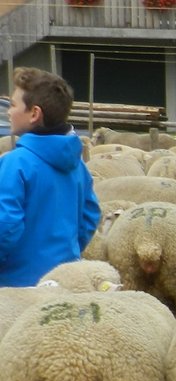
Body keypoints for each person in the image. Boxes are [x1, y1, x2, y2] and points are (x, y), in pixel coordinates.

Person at [0, 68, 101, 287]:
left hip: (18, 285)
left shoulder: (15, 163)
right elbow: (90, 215)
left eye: (14, 105)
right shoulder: (78, 166)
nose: (9, 111)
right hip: (66, 280)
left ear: (34, 114)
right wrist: (67, 252)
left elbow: (5, 223)